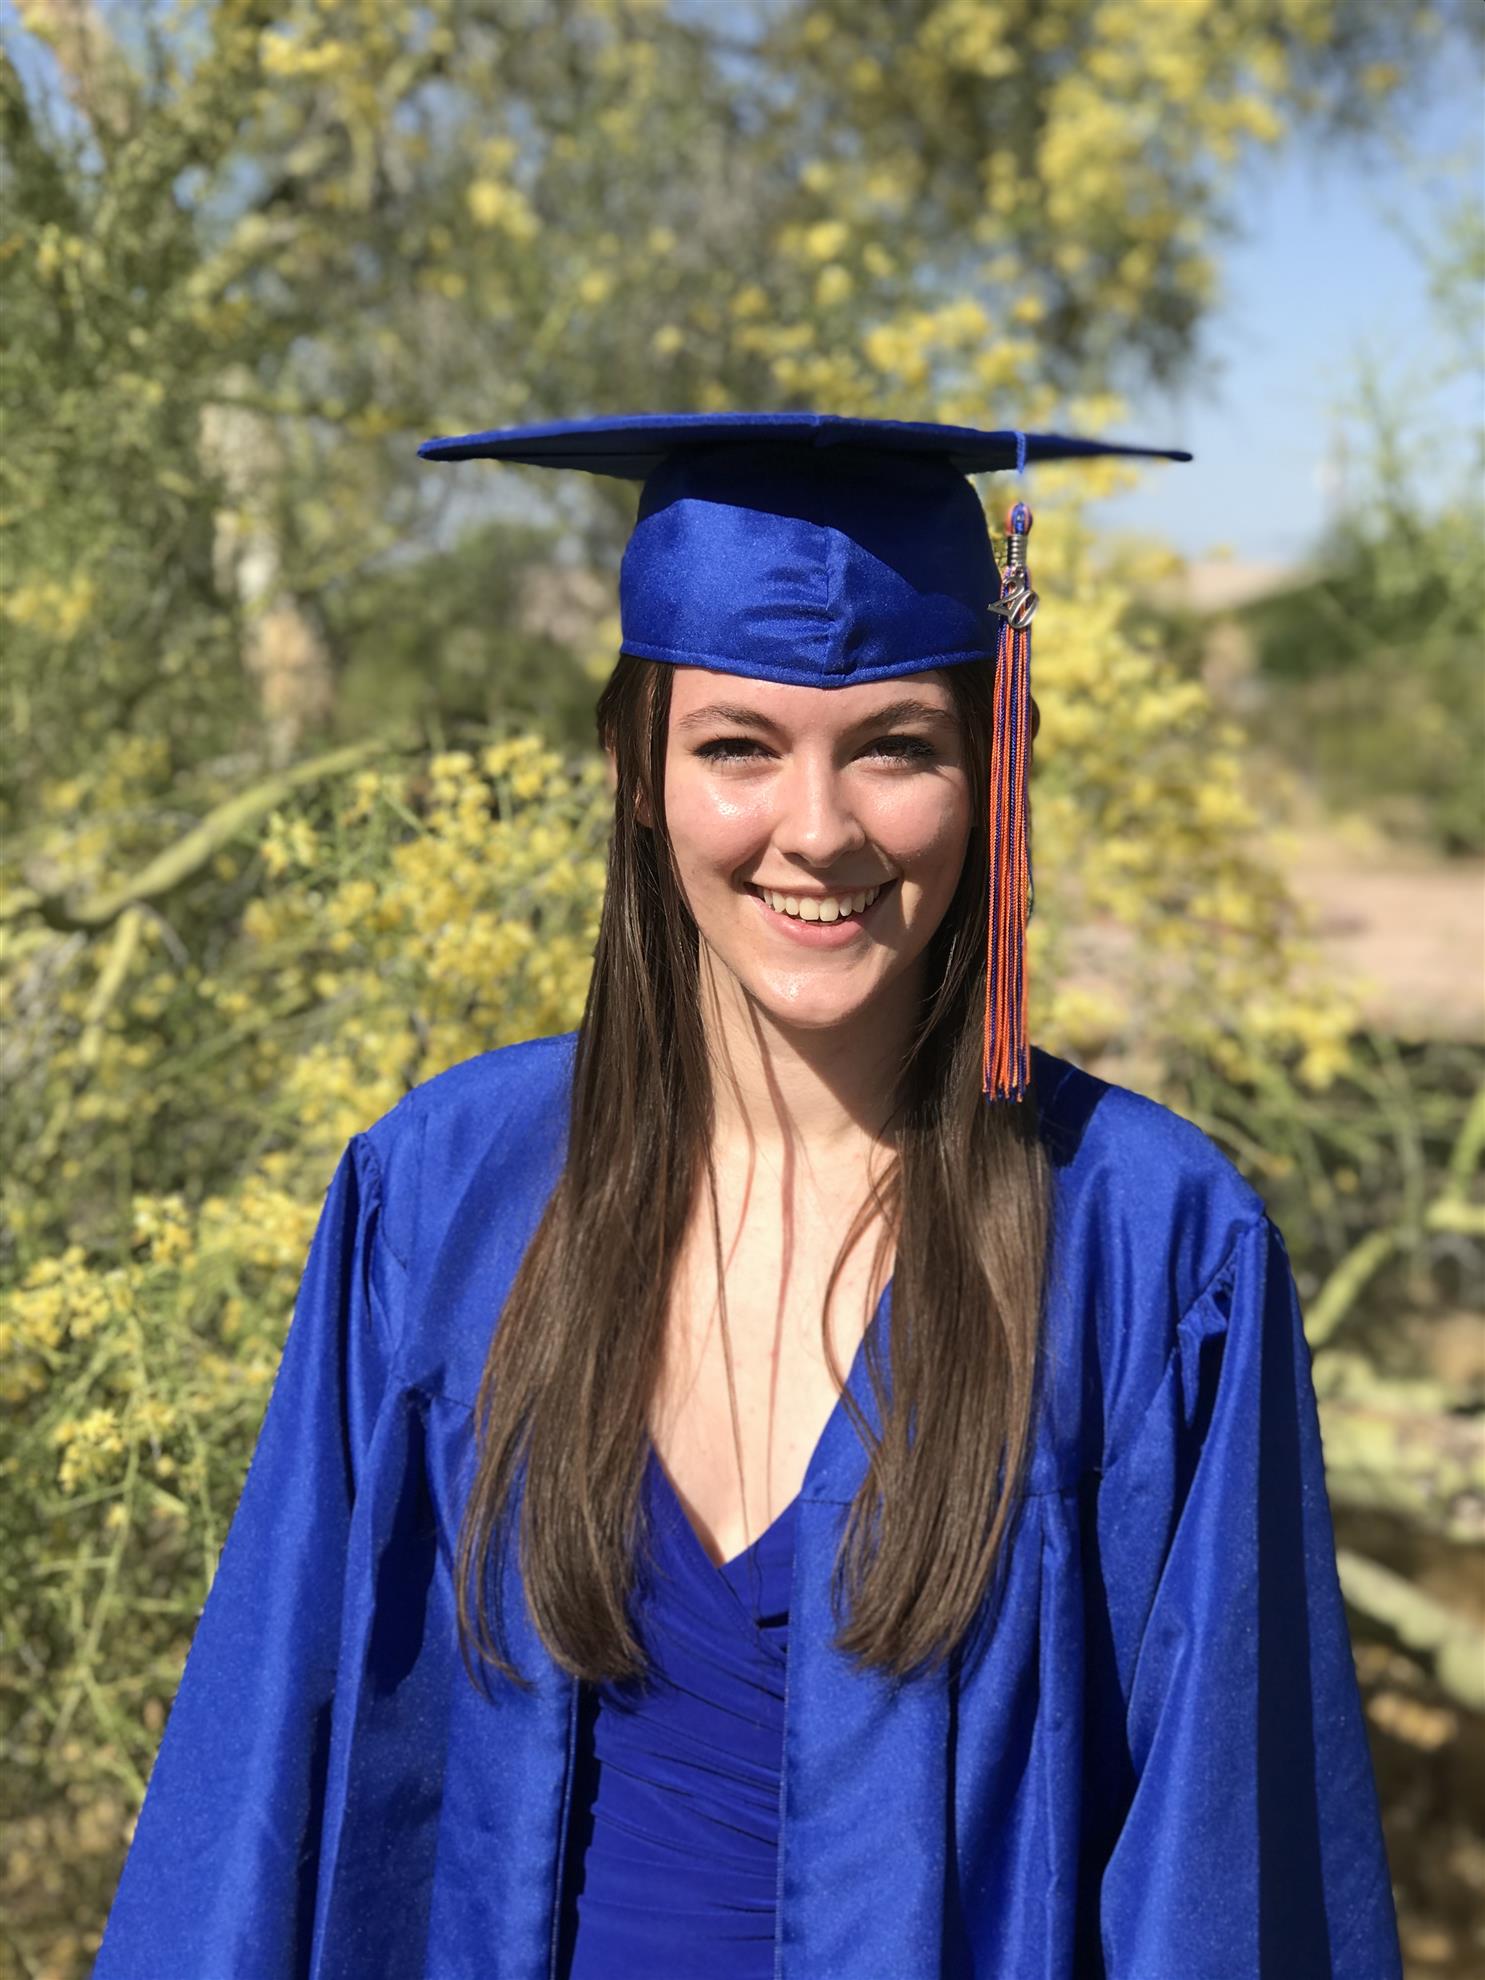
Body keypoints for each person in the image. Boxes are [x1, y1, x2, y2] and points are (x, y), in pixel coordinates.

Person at [92, 413, 1402, 1979]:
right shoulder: (439, 1200)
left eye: (894, 747)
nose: (817, 829)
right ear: (635, 773)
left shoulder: (1150, 1247)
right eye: (737, 747)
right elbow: (260, 1789)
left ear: (992, 771)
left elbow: (1223, 1879)